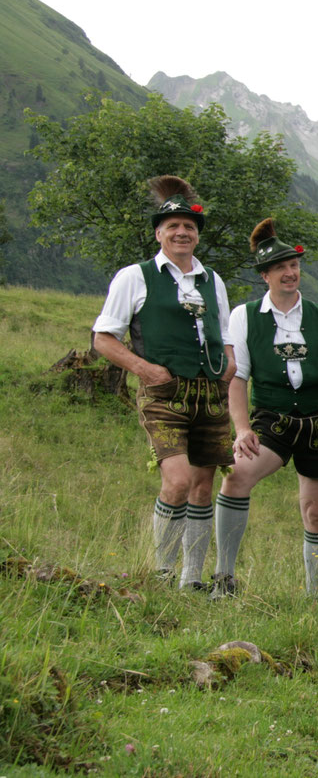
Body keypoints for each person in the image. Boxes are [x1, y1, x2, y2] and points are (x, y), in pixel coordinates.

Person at [92, 175, 236, 589]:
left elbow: (225, 337)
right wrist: (143, 369)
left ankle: (191, 579)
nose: (181, 232)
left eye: (189, 226)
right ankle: (161, 572)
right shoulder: (134, 276)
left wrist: (227, 368)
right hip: (163, 392)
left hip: (209, 393)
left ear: (197, 235)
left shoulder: (213, 281)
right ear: (159, 233)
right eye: (172, 226)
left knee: (204, 484)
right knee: (177, 480)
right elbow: (103, 338)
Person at [216, 219, 318, 598]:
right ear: (265, 275)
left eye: (294, 266)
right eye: (281, 268)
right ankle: (224, 578)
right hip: (272, 420)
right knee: (236, 478)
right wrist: (241, 429)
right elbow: (237, 378)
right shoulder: (245, 316)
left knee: (317, 514)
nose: (290, 273)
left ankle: (313, 598)